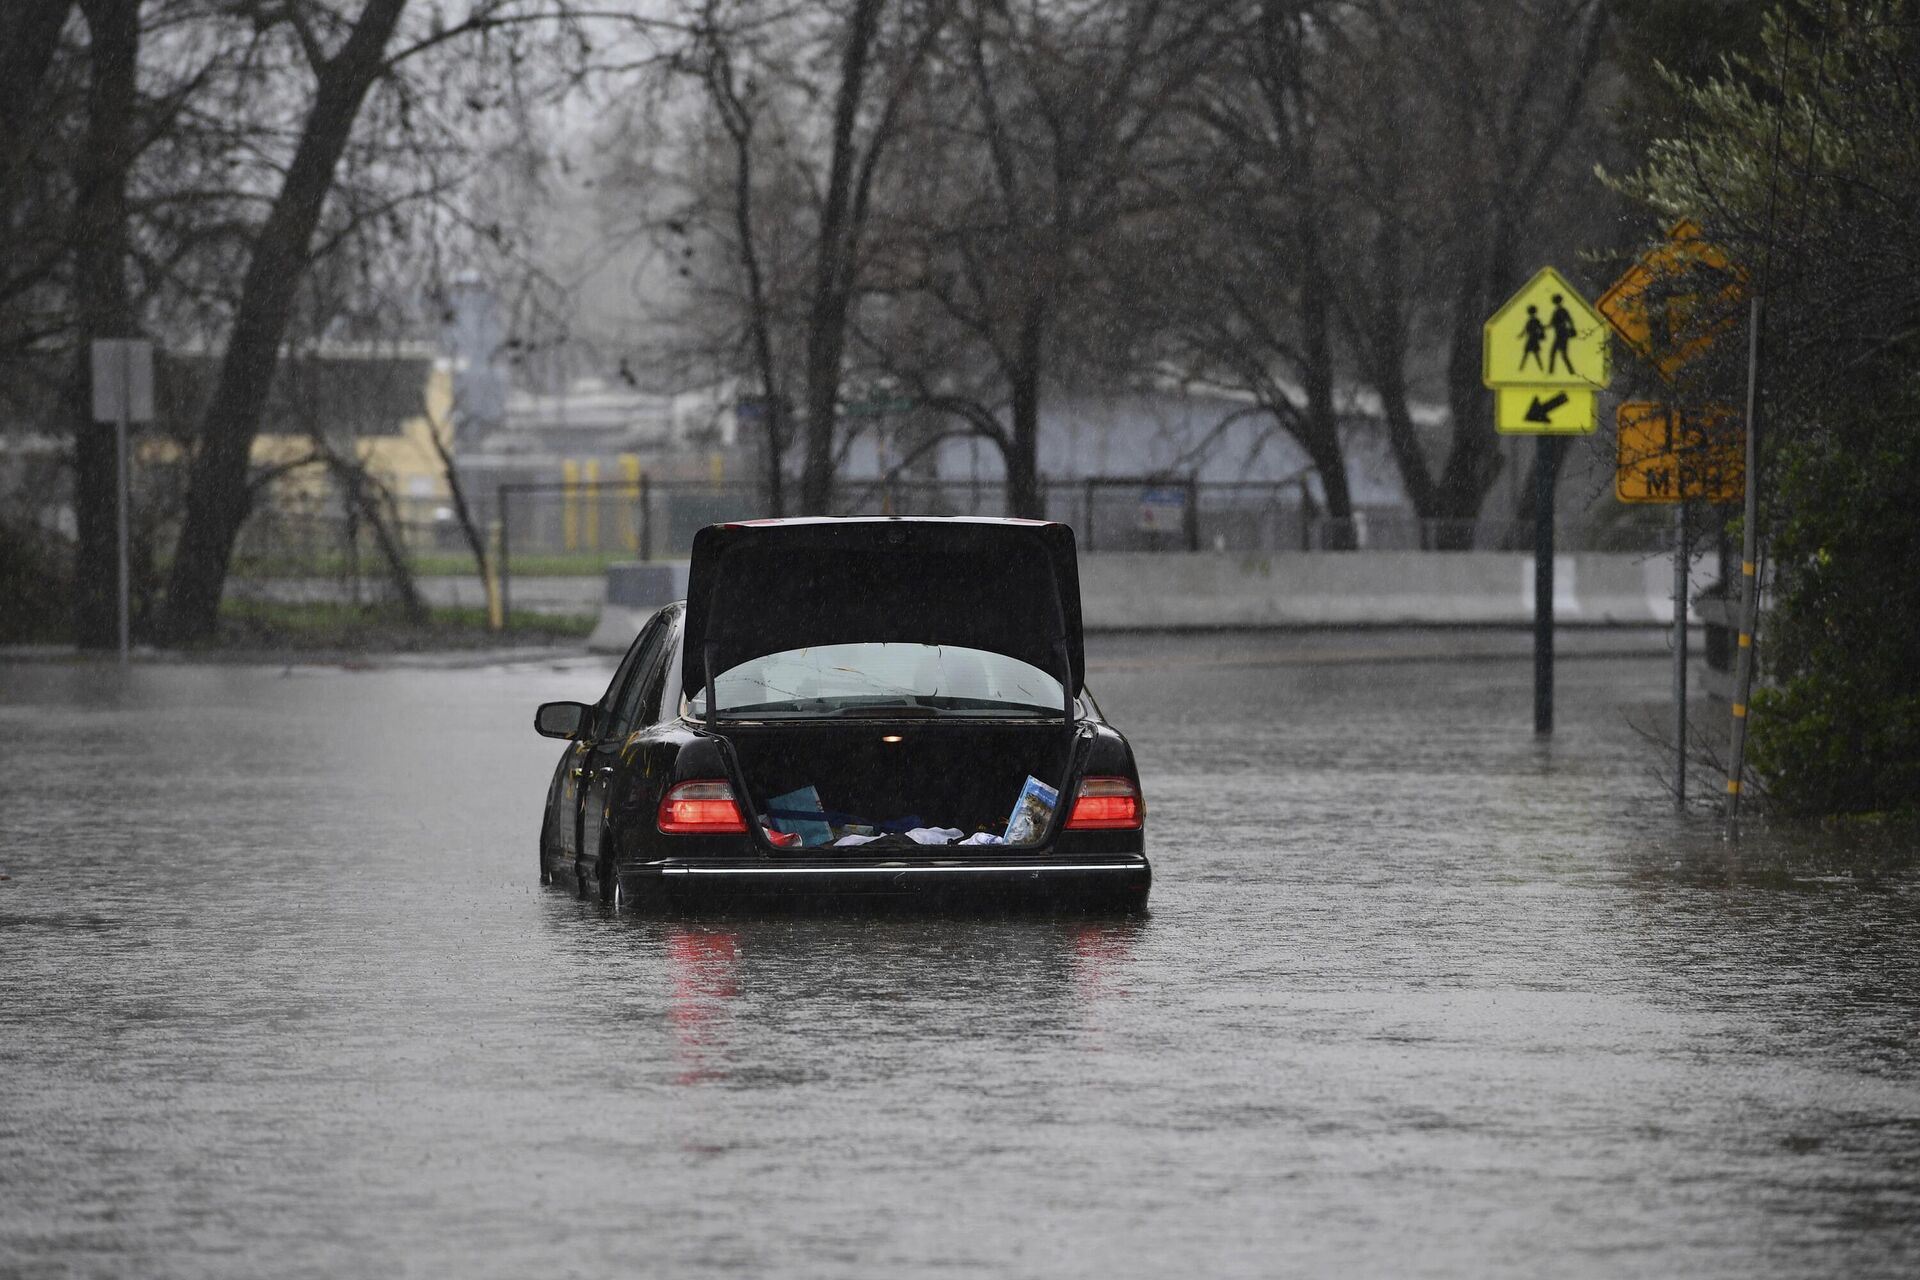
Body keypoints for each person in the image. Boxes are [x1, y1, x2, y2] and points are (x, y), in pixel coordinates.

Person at [1548, 293, 1579, 376]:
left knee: (1560, 355)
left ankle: (1571, 372)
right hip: (1559, 335)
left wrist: (1572, 329)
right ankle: (1552, 372)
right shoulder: (1556, 311)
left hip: (1562, 335)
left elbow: (1569, 320)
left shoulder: (1562, 310)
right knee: (1557, 354)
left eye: (1555, 301)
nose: (1555, 302)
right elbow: (1551, 324)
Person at [1518, 305, 1546, 371]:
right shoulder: (1531, 320)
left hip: (1533, 339)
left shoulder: (1535, 320)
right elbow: (1525, 330)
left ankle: (1541, 368)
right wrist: (1521, 335)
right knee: (1531, 354)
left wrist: (1542, 334)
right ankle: (1521, 368)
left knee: (1531, 354)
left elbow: (1541, 328)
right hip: (1532, 339)